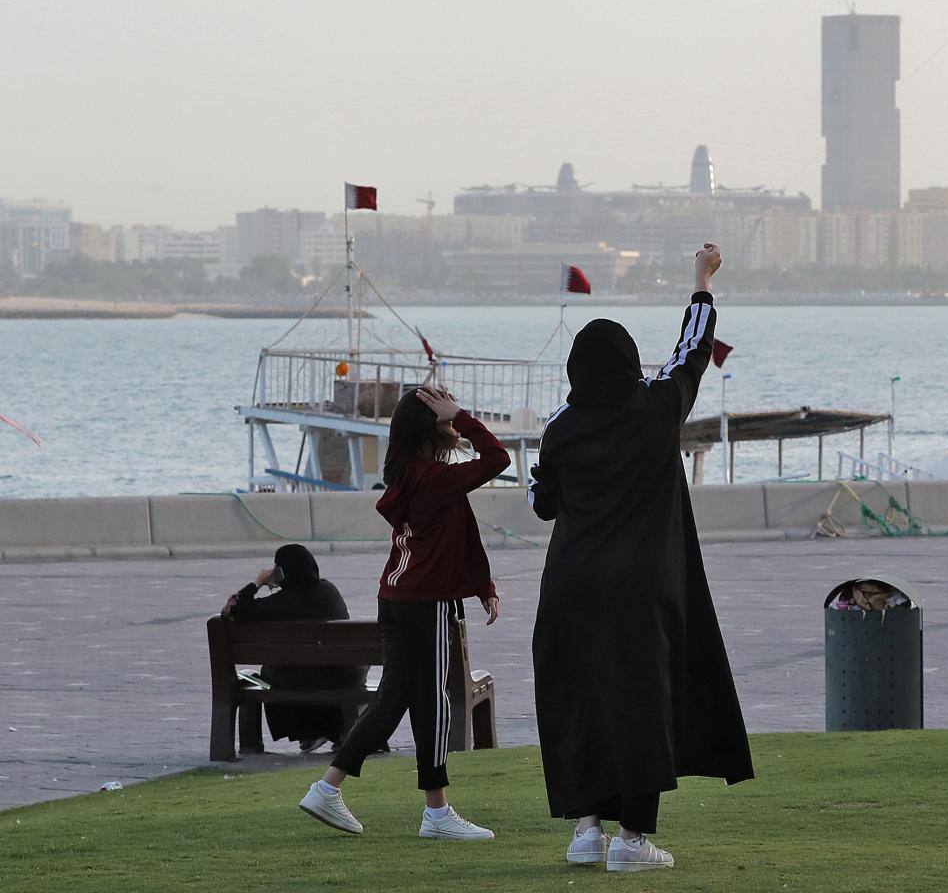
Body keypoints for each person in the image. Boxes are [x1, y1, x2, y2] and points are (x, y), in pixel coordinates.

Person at [531, 242, 754, 874]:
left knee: (583, 701)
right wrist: (701, 282)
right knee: (642, 705)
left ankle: (586, 828)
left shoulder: (560, 430)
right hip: (642, 591)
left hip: (570, 587)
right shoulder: (657, 410)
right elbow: (692, 353)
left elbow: (542, 504)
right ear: (629, 363)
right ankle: (633, 839)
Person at [298, 386, 508, 839]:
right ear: (430, 429)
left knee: (399, 697)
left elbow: (456, 534)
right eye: (445, 420)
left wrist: (482, 586)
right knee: (432, 701)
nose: (452, 426)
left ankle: (333, 788)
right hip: (423, 602)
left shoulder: (414, 475)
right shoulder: (431, 477)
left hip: (396, 597)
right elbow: (497, 459)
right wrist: (466, 416)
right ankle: (433, 813)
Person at [222, 543, 364, 752]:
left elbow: (234, 611)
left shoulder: (281, 603)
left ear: (281, 572)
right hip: (343, 676)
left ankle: (308, 732)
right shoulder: (328, 591)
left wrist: (258, 583)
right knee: (312, 672)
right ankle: (334, 729)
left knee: (271, 673)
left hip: (293, 681)